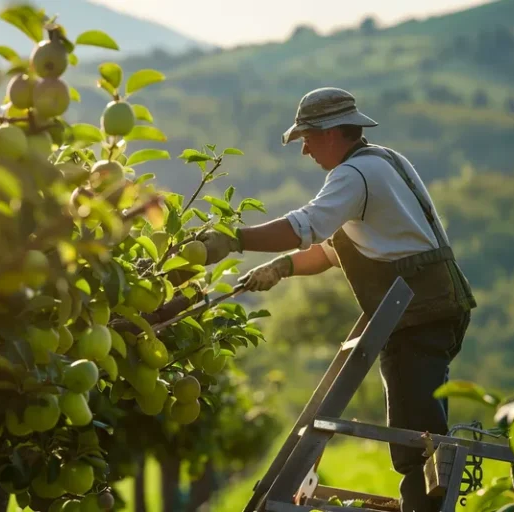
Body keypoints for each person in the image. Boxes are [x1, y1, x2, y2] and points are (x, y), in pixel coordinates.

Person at [197, 87, 477, 512]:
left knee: (415, 439)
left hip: (416, 312)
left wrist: (234, 240)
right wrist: (282, 267)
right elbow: (332, 249)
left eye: (307, 137)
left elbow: (305, 225)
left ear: (330, 133)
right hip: (434, 305)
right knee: (418, 427)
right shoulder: (384, 162)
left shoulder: (353, 174)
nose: (305, 150)